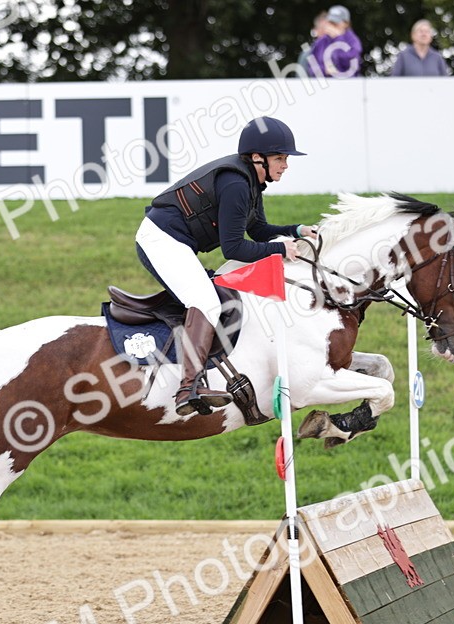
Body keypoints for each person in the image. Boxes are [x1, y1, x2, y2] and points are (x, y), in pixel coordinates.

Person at [138, 117, 318, 416]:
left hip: (175, 241)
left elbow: (258, 229)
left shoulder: (250, 181)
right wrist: (279, 249)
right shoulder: (236, 183)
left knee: (212, 295)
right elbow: (234, 248)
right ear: (257, 158)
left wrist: (296, 230)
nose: (285, 165)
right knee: (205, 300)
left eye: (285, 158)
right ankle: (188, 388)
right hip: (160, 240)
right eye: (280, 158)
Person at [306, 5, 363, 78]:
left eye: (336, 23)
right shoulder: (321, 42)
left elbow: (349, 65)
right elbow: (312, 67)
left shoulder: (353, 41)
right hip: (326, 85)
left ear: (346, 24)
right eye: (330, 22)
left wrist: (338, 38)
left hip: (348, 85)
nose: (332, 26)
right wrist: (325, 70)